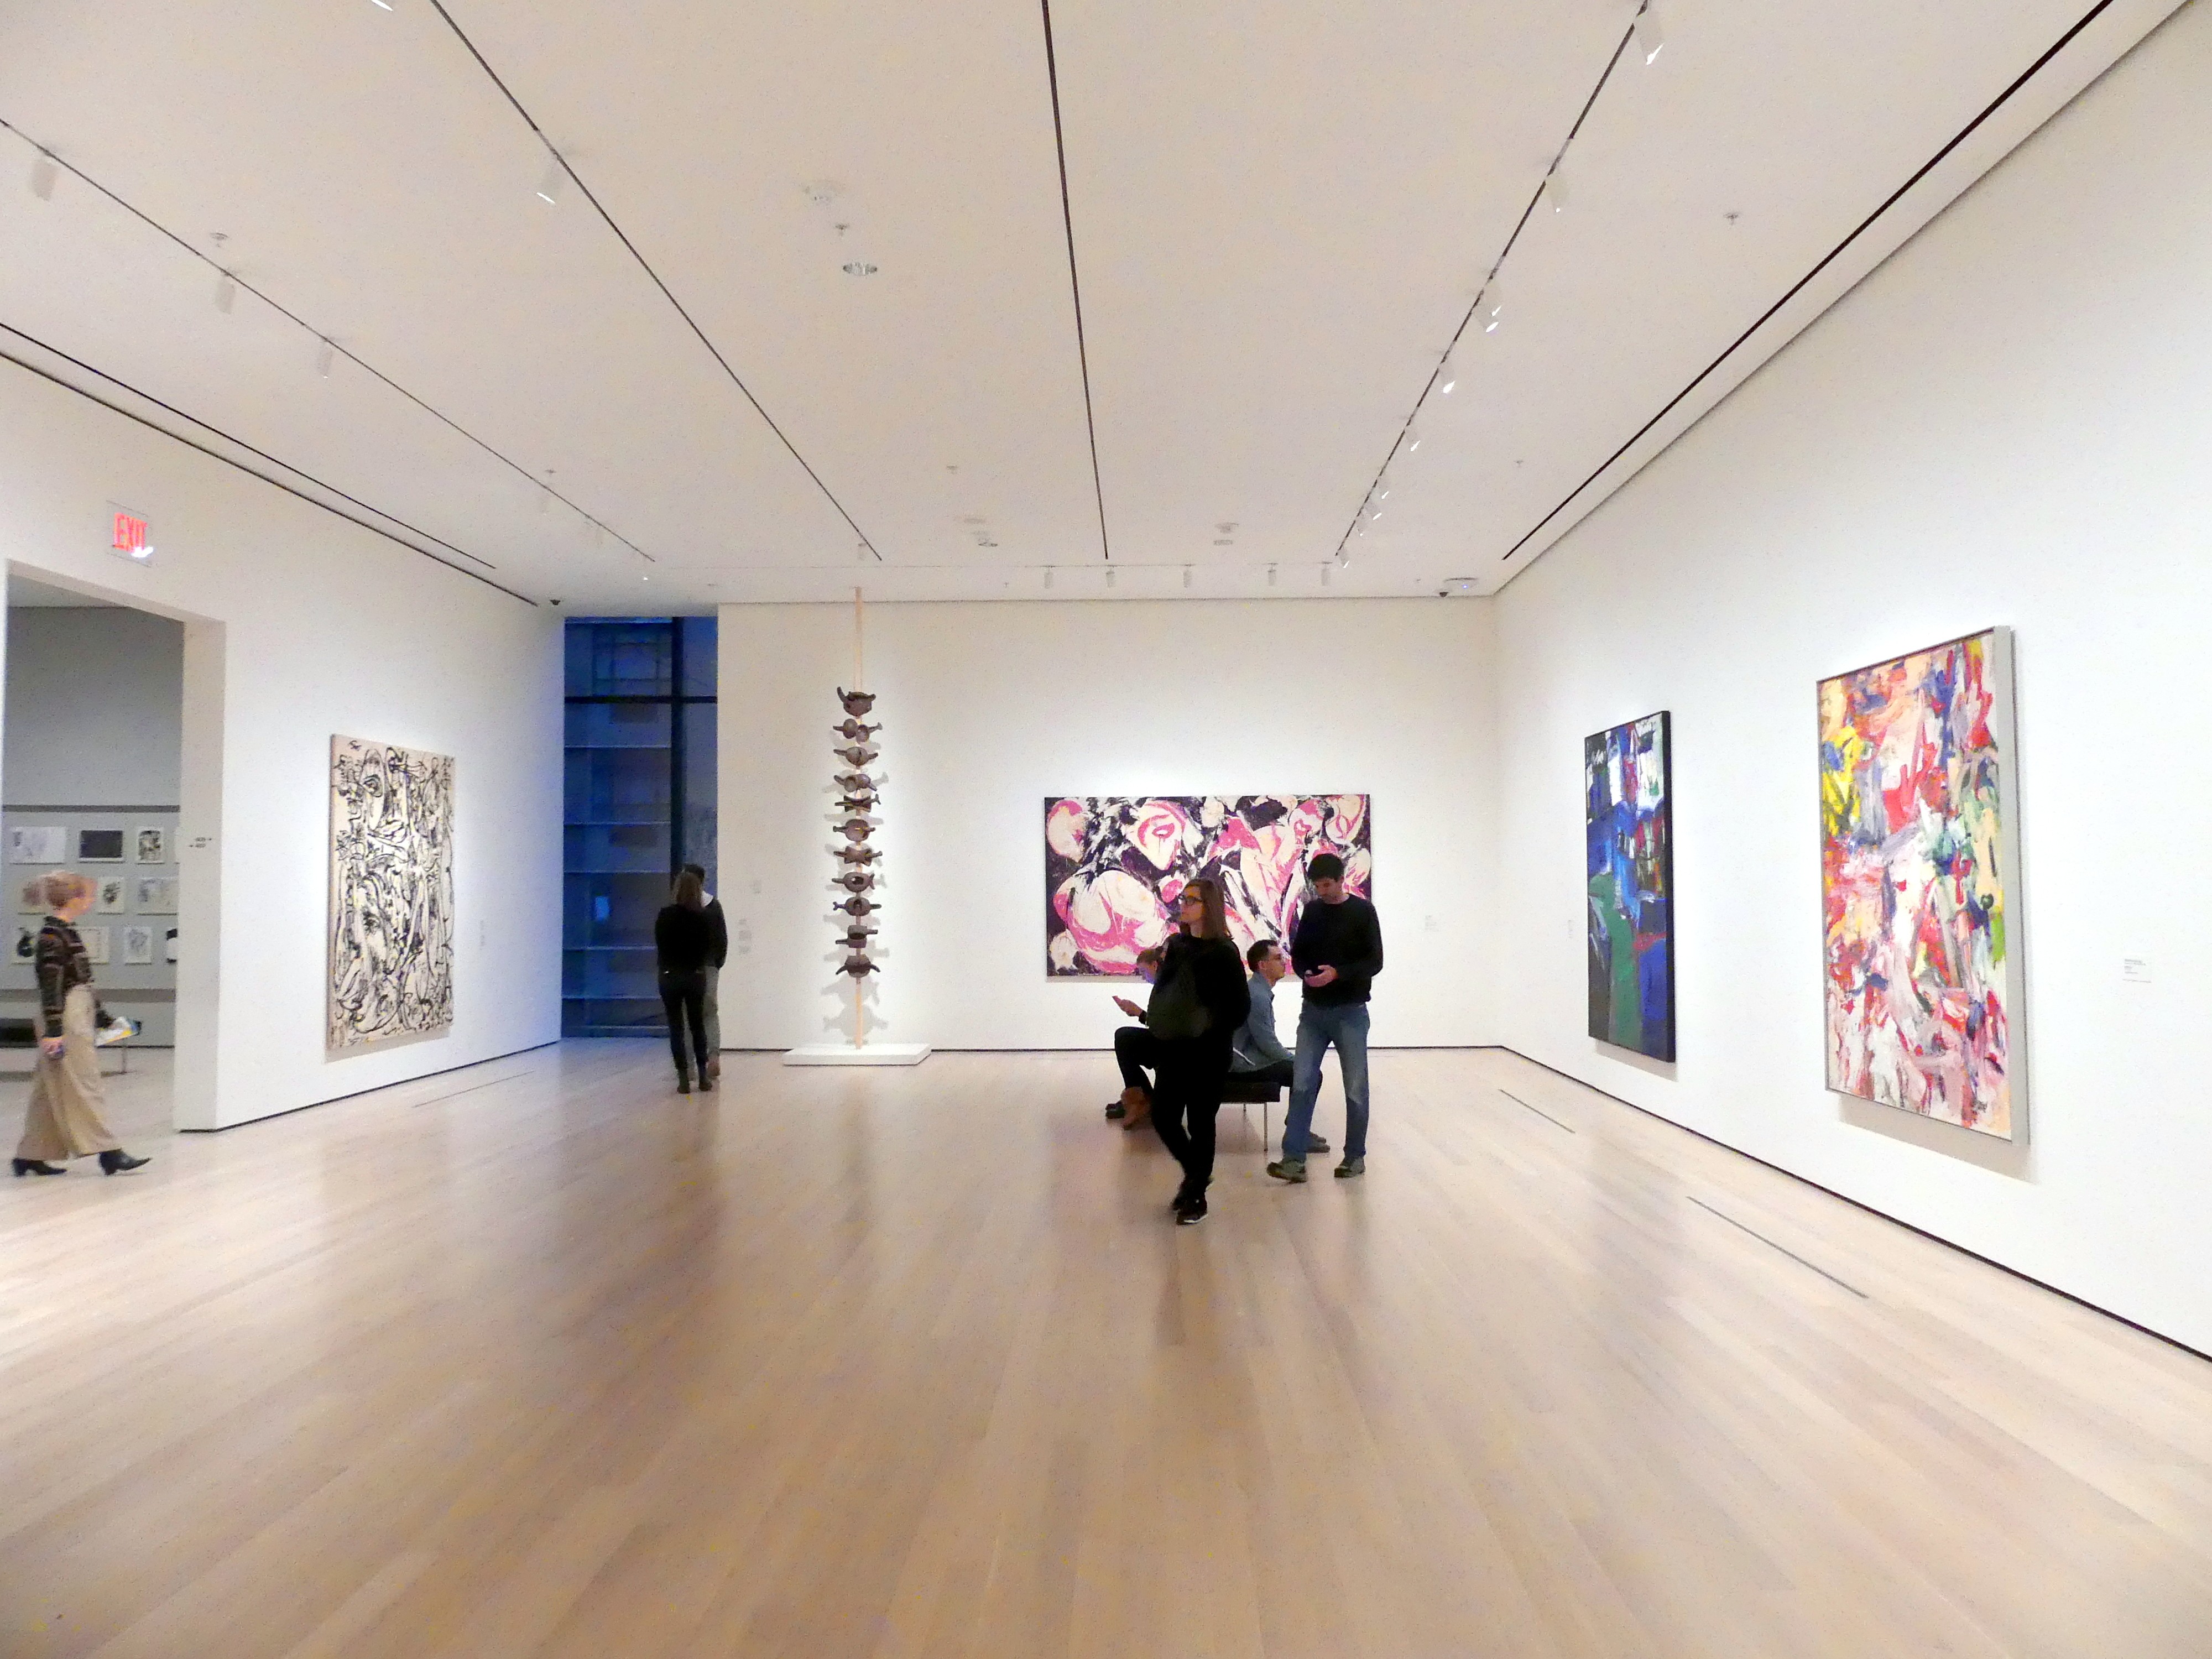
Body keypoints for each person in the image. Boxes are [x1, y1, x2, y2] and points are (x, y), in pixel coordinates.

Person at [13, 872, 148, 1177]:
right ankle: (109, 1151)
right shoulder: (52, 937)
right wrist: (54, 1030)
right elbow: (51, 986)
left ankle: (31, 1153)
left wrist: (101, 1016)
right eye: (87, 895)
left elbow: (81, 981)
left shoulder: (65, 932)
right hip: (65, 1018)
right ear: (73, 899)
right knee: (85, 1083)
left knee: (49, 1087)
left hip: (76, 1010)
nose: (91, 901)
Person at [1267, 853, 1382, 1183]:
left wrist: (1337, 974)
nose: (1323, 891)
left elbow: (1375, 961)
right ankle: (1293, 1159)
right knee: (1302, 1082)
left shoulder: (1363, 911)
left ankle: (1355, 1157)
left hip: (1350, 1012)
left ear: (1342, 880)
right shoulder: (1313, 910)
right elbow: (1300, 953)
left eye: (1327, 885)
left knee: (1355, 1088)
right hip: (1313, 1012)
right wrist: (1307, 973)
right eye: (1317, 886)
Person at [1146, 878, 1248, 1224]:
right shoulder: (1177, 945)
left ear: (1209, 907)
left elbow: (1240, 1008)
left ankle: (1196, 1196)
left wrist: (1208, 1025)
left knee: (1201, 1122)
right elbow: (1166, 992)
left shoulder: (1224, 952)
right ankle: (1197, 1175)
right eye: (1184, 899)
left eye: (1192, 900)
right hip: (1174, 1047)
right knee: (1163, 1115)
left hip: (1208, 1051)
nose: (1184, 905)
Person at [1230, 940, 1328, 1155]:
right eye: (1277, 958)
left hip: (1249, 1057)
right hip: (1243, 1063)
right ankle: (1297, 1133)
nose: (1284, 962)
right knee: (1309, 1073)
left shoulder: (1258, 990)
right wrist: (1296, 1060)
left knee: (1305, 1071)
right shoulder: (1257, 995)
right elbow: (1267, 1043)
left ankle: (1297, 1129)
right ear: (1262, 965)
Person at [654, 868, 717, 1094]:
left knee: (676, 1027)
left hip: (670, 975)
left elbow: (661, 944)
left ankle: (683, 1078)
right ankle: (703, 1076)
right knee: (697, 1025)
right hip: (695, 976)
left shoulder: (665, 915)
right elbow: (707, 948)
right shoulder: (702, 917)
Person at [1105, 945, 1164, 1128]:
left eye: (1144, 971)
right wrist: (1139, 1014)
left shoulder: (1167, 987)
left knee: (1124, 1038)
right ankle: (1141, 1096)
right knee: (1124, 1037)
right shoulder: (1164, 987)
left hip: (1171, 1044)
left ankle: (1142, 1097)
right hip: (1167, 1039)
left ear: (1155, 965)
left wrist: (1139, 1013)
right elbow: (1159, 1023)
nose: (1143, 977)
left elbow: (1163, 1025)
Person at [680, 863, 728, 1080]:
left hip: (684, 968)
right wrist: (717, 964)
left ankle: (690, 1066)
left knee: (686, 1016)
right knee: (710, 1013)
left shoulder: (678, 909)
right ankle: (713, 1057)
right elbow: (722, 939)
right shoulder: (713, 905)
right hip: (709, 967)